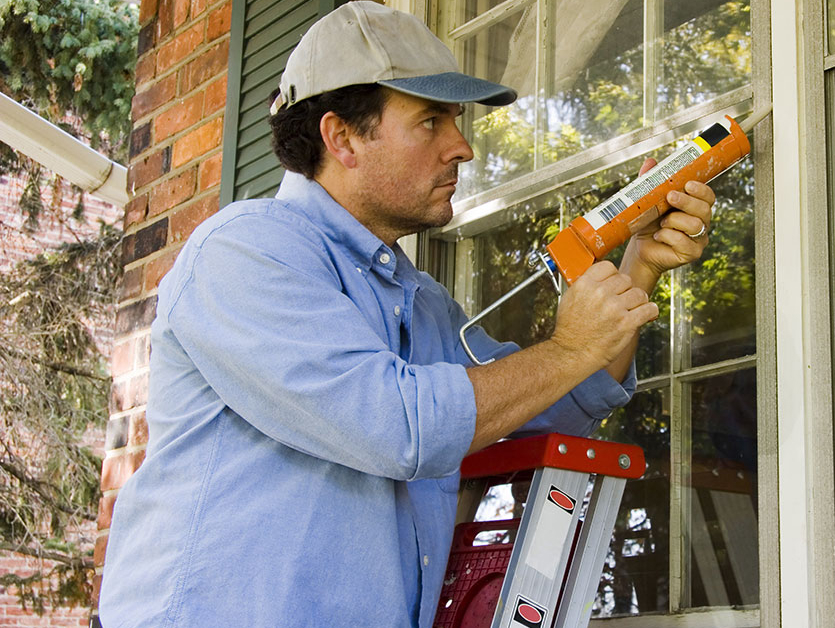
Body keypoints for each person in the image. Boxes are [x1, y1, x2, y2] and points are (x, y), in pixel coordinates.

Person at [97, 3, 715, 627]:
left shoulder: (425, 305)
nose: (463, 147)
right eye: (429, 121)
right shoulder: (244, 253)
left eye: (456, 119)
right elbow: (396, 426)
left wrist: (637, 264)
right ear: (342, 138)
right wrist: (567, 349)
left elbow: (556, 400)